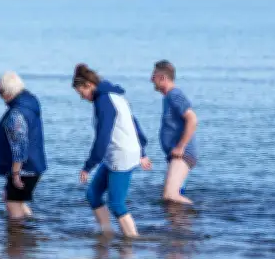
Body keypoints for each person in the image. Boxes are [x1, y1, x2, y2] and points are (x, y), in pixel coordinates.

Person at [72, 63, 151, 238]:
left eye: (82, 93)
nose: (82, 98)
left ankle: (133, 240)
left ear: (89, 85)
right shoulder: (113, 96)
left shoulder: (104, 101)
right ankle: (106, 234)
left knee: (116, 204)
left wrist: (88, 166)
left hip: (121, 155)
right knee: (93, 194)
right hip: (115, 154)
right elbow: (134, 124)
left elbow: (103, 138)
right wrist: (142, 152)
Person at [0, 71, 47, 220]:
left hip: (24, 169)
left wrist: (16, 173)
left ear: (8, 92)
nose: (0, 95)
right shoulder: (30, 102)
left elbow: (20, 146)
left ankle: (18, 233)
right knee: (10, 197)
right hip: (33, 164)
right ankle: (30, 226)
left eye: (0, 91)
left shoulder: (16, 113)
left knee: (13, 205)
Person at [151, 60, 198, 205]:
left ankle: (201, 214)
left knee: (170, 195)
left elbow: (192, 119)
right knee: (172, 202)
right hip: (175, 155)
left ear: (162, 78)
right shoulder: (168, 97)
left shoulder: (174, 95)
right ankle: (179, 221)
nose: (151, 79)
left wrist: (180, 146)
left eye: (153, 76)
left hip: (182, 154)